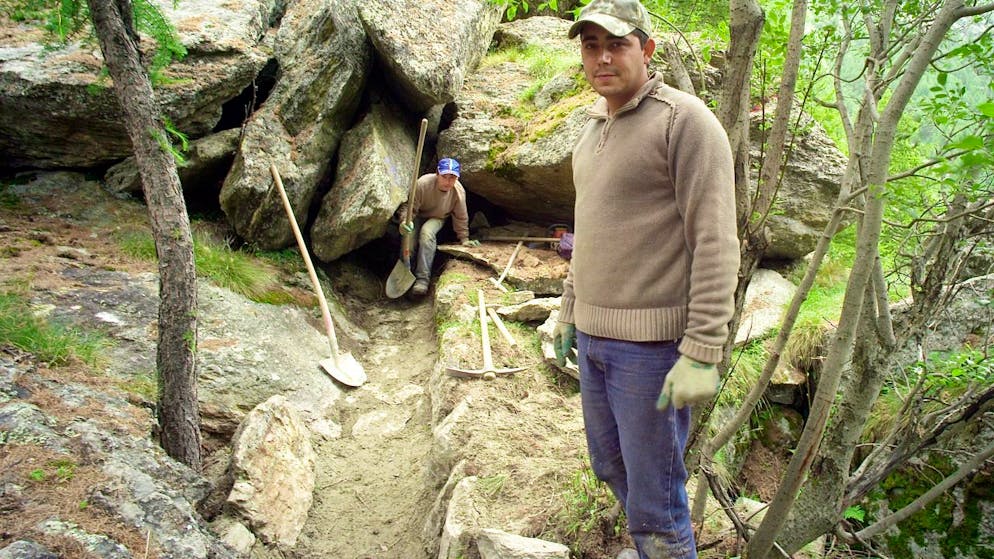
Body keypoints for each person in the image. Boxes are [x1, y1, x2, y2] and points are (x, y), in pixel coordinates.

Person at [553, 1, 739, 558]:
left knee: (658, 507)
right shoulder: (590, 130)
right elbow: (587, 233)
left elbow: (716, 240)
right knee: (609, 464)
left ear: (647, 49)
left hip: (652, 351)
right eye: (590, 46)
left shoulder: (685, 122)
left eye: (617, 45)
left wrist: (703, 349)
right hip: (593, 339)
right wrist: (568, 309)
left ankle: (660, 548)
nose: (602, 57)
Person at [398, 157, 480, 296]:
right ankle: (404, 271)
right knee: (409, 240)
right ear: (437, 173)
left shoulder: (458, 191)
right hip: (418, 214)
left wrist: (464, 238)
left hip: (438, 217)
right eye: (445, 177)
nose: (448, 181)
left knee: (426, 233)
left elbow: (461, 216)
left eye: (452, 177)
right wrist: (404, 222)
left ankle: (422, 279)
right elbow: (410, 207)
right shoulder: (423, 184)